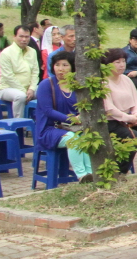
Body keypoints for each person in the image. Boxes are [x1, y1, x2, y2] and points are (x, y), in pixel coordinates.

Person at [35, 51, 94, 182]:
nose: (60, 69)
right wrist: (72, 119)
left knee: (88, 137)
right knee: (73, 140)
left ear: (72, 67)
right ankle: (82, 175)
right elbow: (48, 111)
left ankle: (91, 173)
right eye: (57, 65)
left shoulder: (76, 85)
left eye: (65, 65)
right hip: (50, 129)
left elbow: (85, 105)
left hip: (73, 127)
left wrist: (81, 116)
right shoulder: (46, 85)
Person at [100, 48, 137, 172]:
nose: (121, 65)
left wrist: (136, 114)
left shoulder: (126, 79)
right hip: (112, 122)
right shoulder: (103, 82)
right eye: (117, 62)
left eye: (123, 61)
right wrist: (129, 118)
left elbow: (135, 101)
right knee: (134, 138)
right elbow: (109, 108)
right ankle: (121, 172)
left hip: (129, 119)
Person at [0, 25, 39, 117]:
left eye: (27, 37)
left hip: (28, 88)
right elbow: (8, 76)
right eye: (21, 36)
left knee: (45, 91)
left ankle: (41, 121)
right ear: (14, 37)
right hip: (7, 88)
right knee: (20, 96)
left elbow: (35, 72)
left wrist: (31, 88)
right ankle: (19, 124)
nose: (24, 39)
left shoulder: (32, 51)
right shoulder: (6, 53)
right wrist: (24, 91)